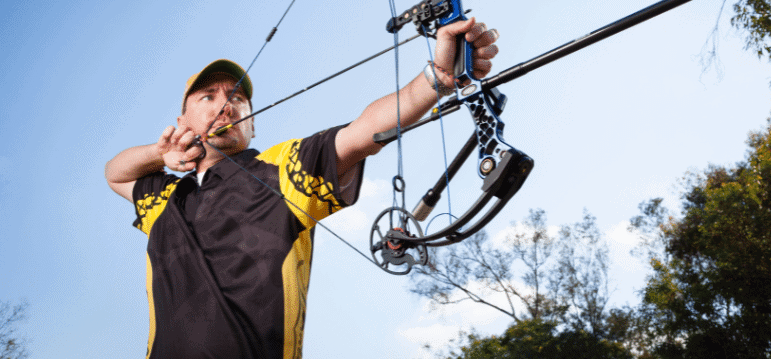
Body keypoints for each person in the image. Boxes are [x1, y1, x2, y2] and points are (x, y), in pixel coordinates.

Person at [105, 18, 499, 359]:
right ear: (183, 119)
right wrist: (160, 154)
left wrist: (435, 81)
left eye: (237, 98)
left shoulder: (282, 168)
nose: (225, 106)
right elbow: (116, 173)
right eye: (208, 97)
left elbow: (363, 132)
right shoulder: (166, 200)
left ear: (252, 123)